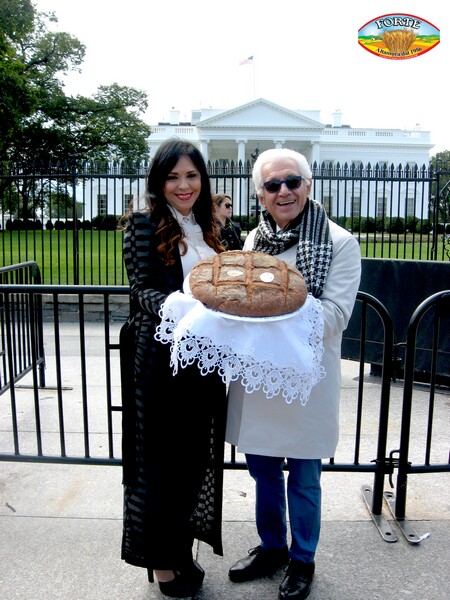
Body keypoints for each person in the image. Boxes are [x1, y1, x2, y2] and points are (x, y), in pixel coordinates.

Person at [226, 148, 361, 600]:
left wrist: (267, 310)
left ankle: (302, 559)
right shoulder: (252, 242)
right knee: (263, 472)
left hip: (305, 380)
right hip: (261, 378)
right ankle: (272, 547)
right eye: (271, 185)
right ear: (260, 196)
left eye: (292, 182)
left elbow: (334, 317)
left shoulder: (339, 243)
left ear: (308, 184)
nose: (283, 191)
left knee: (304, 477)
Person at [120, 138, 227, 598]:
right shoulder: (143, 224)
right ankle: (162, 565)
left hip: (207, 364)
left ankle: (180, 550)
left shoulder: (213, 228)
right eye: (172, 176)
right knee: (159, 464)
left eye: (191, 176)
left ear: (202, 180)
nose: (183, 185)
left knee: (191, 461)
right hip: (162, 361)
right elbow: (139, 289)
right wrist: (178, 307)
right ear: (158, 181)